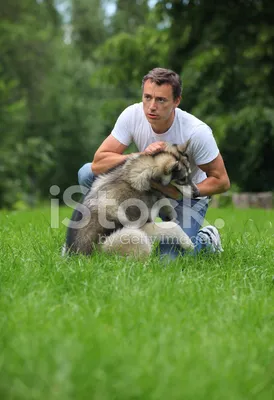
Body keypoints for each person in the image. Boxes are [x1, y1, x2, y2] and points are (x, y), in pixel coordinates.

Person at [78, 68, 230, 258]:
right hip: (148, 191)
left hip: (186, 198)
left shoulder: (196, 132)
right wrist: (141, 155)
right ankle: (112, 230)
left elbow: (222, 181)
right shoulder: (132, 115)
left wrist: (181, 193)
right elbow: (98, 163)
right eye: (147, 97)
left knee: (167, 261)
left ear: (176, 101)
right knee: (86, 174)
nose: (151, 106)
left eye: (161, 100)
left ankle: (206, 240)